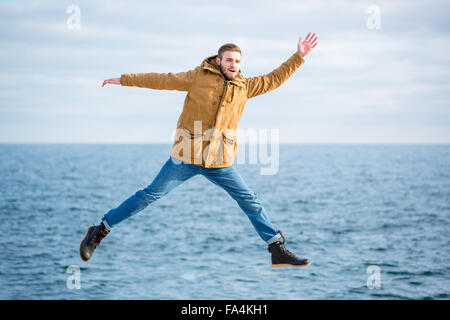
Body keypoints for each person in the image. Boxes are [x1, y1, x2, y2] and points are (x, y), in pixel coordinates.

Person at [80, 33, 318, 267]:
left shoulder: (245, 87)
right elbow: (160, 80)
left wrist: (299, 56)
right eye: (229, 60)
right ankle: (99, 230)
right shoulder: (197, 77)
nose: (233, 65)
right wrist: (123, 79)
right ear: (218, 61)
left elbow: (275, 78)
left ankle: (276, 249)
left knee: (250, 200)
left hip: (220, 161)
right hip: (186, 156)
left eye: (237, 61)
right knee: (149, 195)